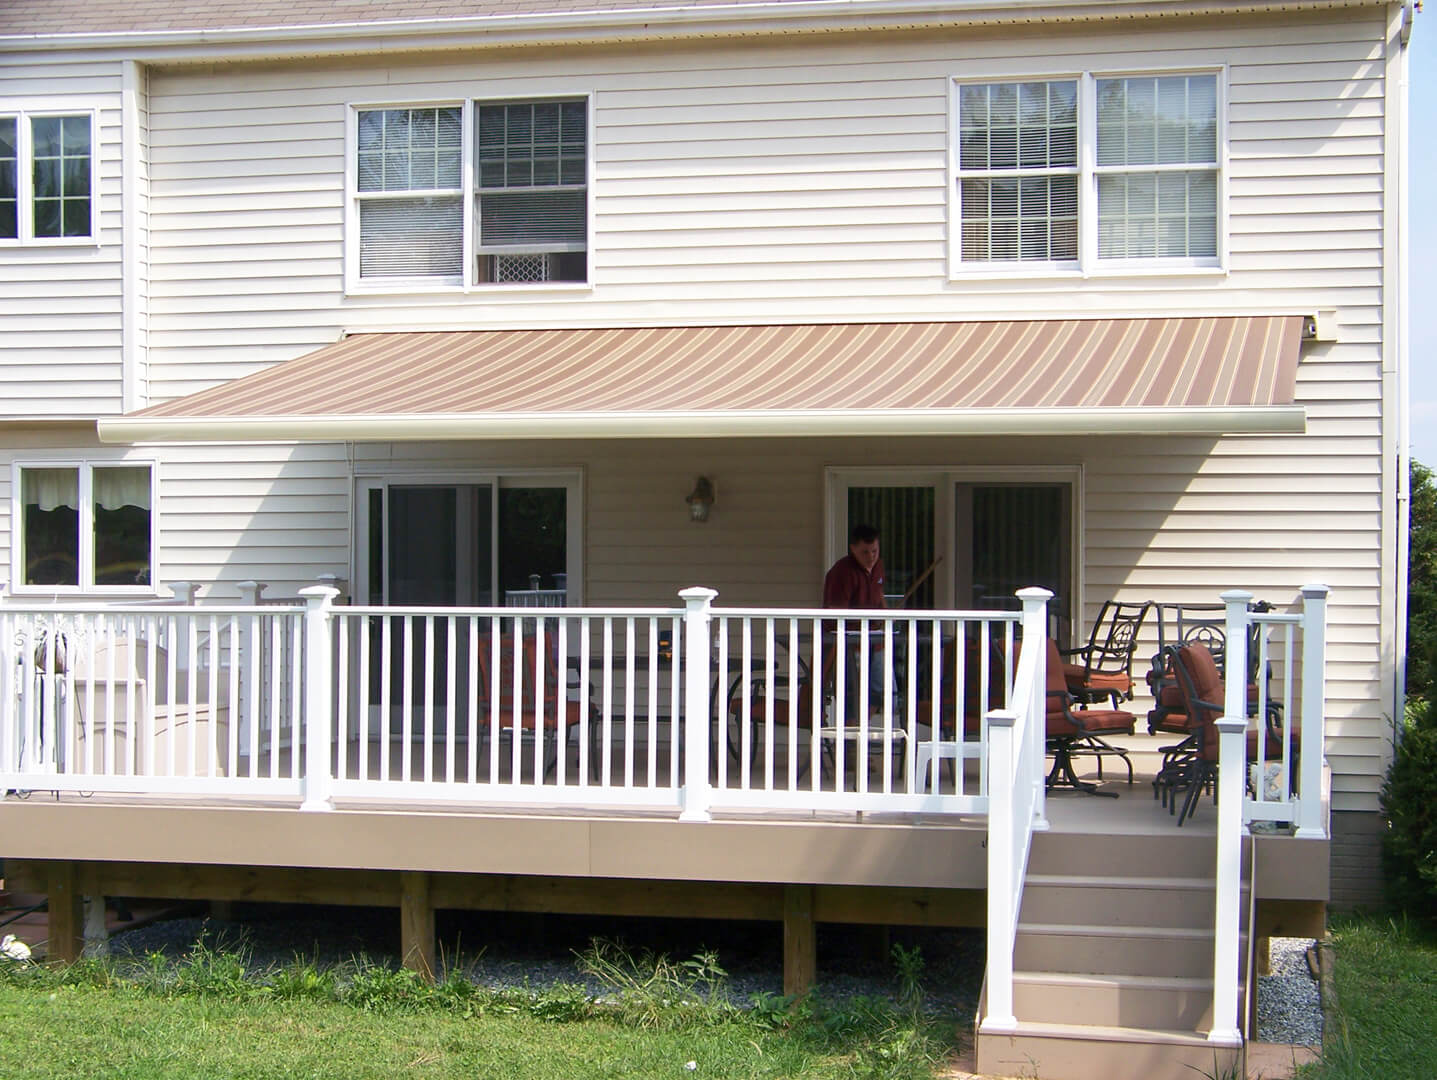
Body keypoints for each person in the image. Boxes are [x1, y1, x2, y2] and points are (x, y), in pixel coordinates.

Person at [823, 524, 887, 609]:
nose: (871, 557)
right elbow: (836, 612)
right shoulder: (842, 572)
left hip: (874, 621)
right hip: (848, 621)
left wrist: (887, 615)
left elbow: (879, 592)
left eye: (874, 551)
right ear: (853, 549)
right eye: (865, 552)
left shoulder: (879, 565)